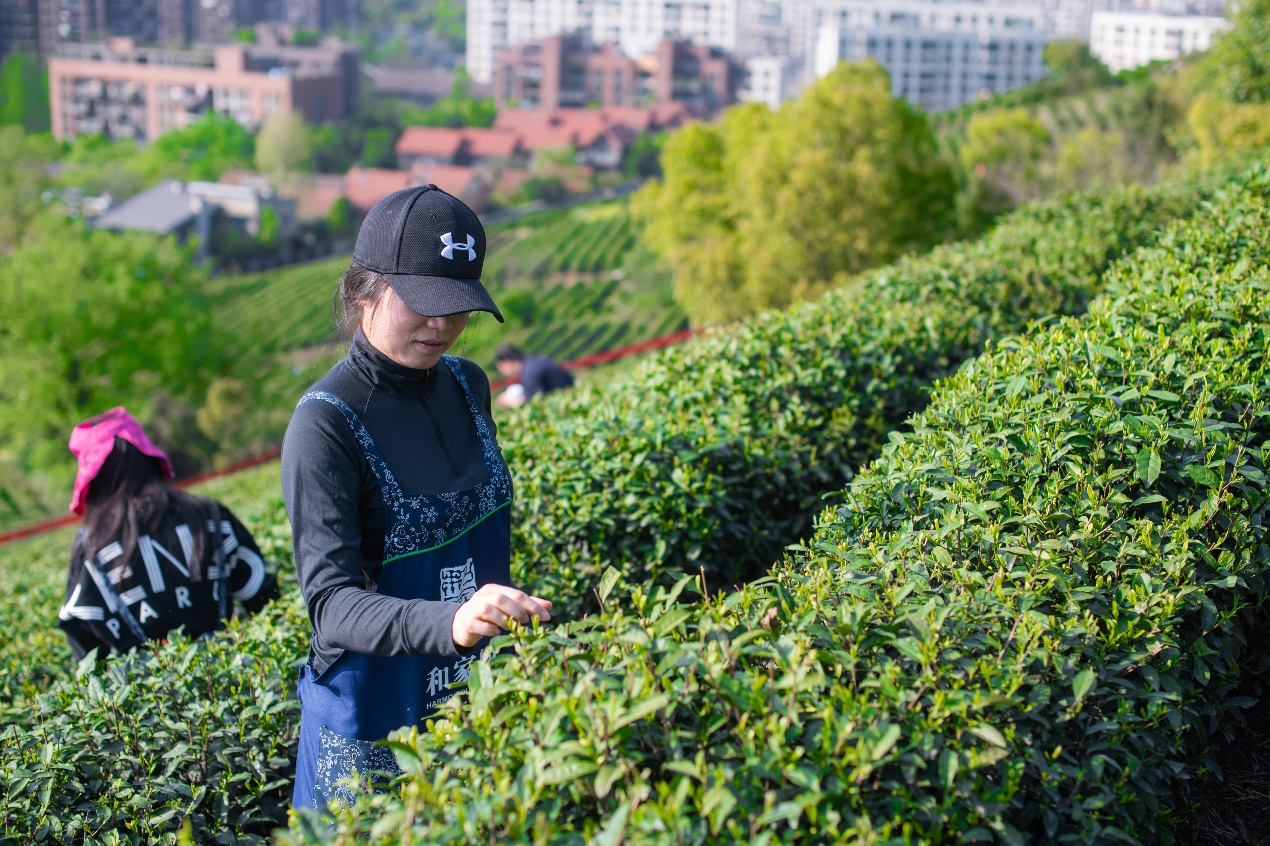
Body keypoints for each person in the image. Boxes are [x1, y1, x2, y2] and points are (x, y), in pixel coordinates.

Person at [282, 184, 553, 813]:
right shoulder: (324, 424)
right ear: (361, 292)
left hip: (470, 694)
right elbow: (330, 603)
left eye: (457, 306)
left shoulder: (466, 383)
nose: (442, 326)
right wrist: (448, 622)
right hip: (372, 722)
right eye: (423, 303)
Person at [58, 408, 279, 661]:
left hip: (145, 696)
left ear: (93, 476)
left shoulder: (90, 545)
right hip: (227, 673)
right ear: (147, 456)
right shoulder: (211, 514)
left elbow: (84, 645)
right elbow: (263, 598)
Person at [493, 344, 574, 408]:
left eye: (501, 367)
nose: (503, 372)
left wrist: (511, 402)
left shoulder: (529, 374)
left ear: (507, 362)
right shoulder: (533, 362)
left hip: (569, 401)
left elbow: (535, 402)